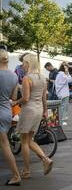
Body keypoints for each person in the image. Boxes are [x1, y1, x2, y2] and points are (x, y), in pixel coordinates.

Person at [13, 54, 53, 179]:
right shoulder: (42, 77)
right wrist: (45, 111)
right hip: (39, 110)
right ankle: (46, 159)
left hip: (29, 110)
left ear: (29, 64)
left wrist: (15, 102)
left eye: (24, 63)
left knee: (24, 142)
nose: (22, 65)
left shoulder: (27, 78)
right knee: (30, 140)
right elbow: (44, 98)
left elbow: (25, 98)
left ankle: (26, 171)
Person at [0, 49, 21, 186]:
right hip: (7, 111)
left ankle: (16, 175)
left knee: (5, 145)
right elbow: (13, 98)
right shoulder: (14, 76)